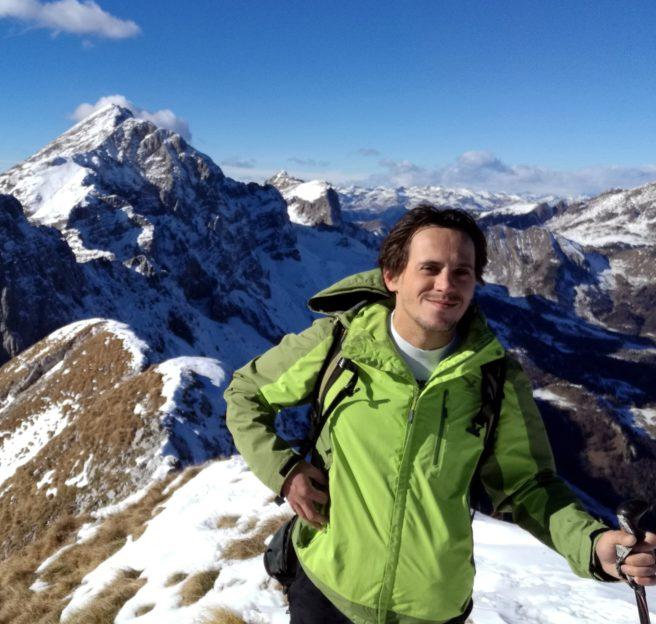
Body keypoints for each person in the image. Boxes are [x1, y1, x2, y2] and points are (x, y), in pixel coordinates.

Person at [225, 205, 655, 624]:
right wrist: (285, 471)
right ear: (392, 276)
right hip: (326, 590)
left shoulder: (494, 378)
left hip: (432, 607)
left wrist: (593, 545)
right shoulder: (338, 345)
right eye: (429, 268)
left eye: (461, 273)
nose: (446, 284)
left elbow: (528, 487)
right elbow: (245, 395)